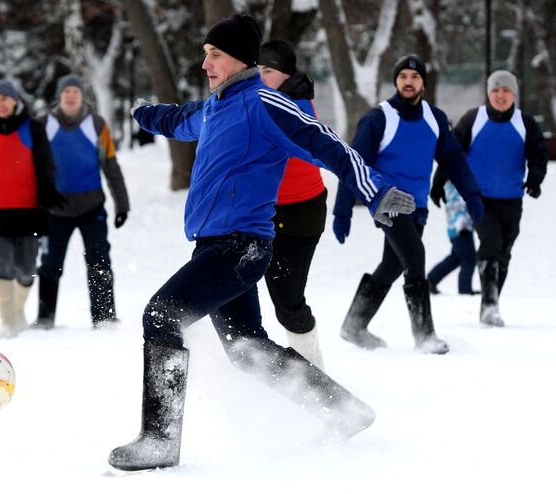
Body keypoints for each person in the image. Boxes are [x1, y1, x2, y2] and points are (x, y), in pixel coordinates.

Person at [108, 14, 417, 472]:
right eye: (205, 54)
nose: (205, 64)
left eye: (214, 55)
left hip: (241, 247)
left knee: (162, 315)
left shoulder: (264, 104)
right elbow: (176, 119)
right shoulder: (214, 108)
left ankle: (160, 440)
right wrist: (140, 112)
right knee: (245, 348)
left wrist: (373, 190)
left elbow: (326, 142)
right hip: (214, 247)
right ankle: (344, 410)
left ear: (240, 60)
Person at [332, 54, 484, 355]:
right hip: (386, 200)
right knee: (415, 256)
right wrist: (342, 209)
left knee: (394, 263)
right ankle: (424, 335)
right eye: (403, 76)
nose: (409, 82)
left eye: (414, 77)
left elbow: (452, 159)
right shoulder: (379, 118)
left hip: (417, 205)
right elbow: (353, 163)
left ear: (423, 83)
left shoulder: (435, 119)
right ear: (396, 81)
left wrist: (472, 194)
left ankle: (354, 325)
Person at [438, 70, 548, 326]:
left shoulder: (526, 123)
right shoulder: (473, 119)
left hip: (512, 200)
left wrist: (535, 179)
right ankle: (489, 306)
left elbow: (538, 155)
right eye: (496, 90)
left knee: (504, 251)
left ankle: (492, 300)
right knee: (490, 243)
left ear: (514, 95)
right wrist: (438, 182)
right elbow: (451, 152)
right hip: (479, 199)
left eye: (506, 90)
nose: (500, 95)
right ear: (489, 93)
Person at [0, 79, 64, 338]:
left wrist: (49, 195)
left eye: (5, 98)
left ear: (15, 101)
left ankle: (18, 311)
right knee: (3, 264)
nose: (0, 104)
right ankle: (8, 321)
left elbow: (46, 166)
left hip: (30, 210)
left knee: (27, 268)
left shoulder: (33, 129)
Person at [32, 74, 130, 329]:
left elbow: (110, 164)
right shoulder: (43, 125)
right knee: (50, 264)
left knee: (99, 262)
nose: (71, 96)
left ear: (82, 95)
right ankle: (44, 318)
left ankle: (105, 318)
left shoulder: (97, 124)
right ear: (60, 96)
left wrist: (122, 204)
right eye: (67, 92)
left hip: (91, 207)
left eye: (75, 91)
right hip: (55, 210)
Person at [257, 40, 327, 369]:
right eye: (256, 70)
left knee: (288, 302)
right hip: (266, 211)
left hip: (300, 213)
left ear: (285, 74)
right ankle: (249, 366)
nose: (259, 77)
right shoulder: (268, 99)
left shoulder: (291, 105)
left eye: (267, 71)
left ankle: (314, 373)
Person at [427, 182, 478, 295]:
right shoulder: (457, 185)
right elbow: (457, 205)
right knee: (469, 259)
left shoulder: (453, 185)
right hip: (461, 228)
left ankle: (430, 280)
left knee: (456, 258)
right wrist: (462, 224)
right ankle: (465, 290)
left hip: (457, 227)